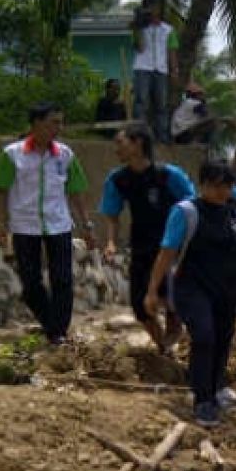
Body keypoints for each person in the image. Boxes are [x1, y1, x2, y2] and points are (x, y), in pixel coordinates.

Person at [144, 161, 236, 427]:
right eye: (216, 185)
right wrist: (152, 291)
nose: (222, 191)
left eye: (227, 186)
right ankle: (203, 400)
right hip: (193, 287)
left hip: (228, 286)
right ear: (203, 184)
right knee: (204, 336)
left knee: (223, 337)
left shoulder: (235, 212)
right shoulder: (186, 212)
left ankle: (217, 385)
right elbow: (166, 253)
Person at [0, 102, 92, 346]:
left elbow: (76, 192)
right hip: (25, 226)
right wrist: (0, 224)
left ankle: (58, 331)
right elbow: (1, 191)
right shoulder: (12, 154)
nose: (59, 128)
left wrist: (86, 226)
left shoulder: (65, 155)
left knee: (62, 279)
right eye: (53, 122)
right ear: (36, 124)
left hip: (58, 224)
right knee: (30, 283)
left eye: (60, 122)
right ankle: (52, 325)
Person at [100, 122, 196, 352]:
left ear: (138, 143)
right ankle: (163, 345)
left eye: (121, 143)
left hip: (172, 247)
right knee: (139, 305)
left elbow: (193, 205)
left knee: (172, 301)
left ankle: (174, 339)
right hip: (141, 247)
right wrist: (111, 242)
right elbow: (112, 215)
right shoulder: (118, 179)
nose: (116, 149)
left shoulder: (169, 175)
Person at [132, 0, 178, 143]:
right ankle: (140, 135)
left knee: (161, 105)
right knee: (141, 102)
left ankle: (162, 136)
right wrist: (139, 26)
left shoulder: (168, 30)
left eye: (154, 7)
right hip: (143, 67)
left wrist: (174, 70)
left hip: (161, 69)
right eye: (149, 8)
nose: (152, 11)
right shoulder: (140, 28)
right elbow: (139, 47)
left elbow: (172, 51)